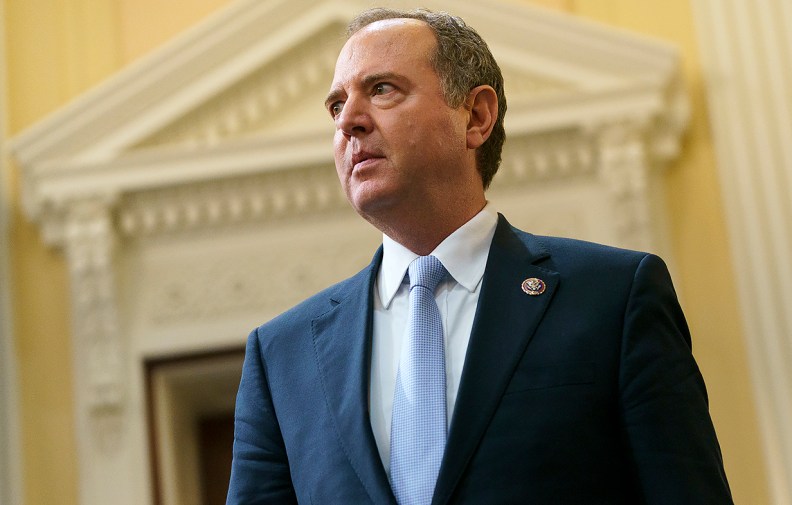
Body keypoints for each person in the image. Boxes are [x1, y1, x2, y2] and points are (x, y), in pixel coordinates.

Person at [227, 7, 732, 505]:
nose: (350, 123)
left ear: (476, 116)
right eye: (336, 106)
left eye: (382, 89)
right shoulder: (282, 357)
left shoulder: (613, 298)